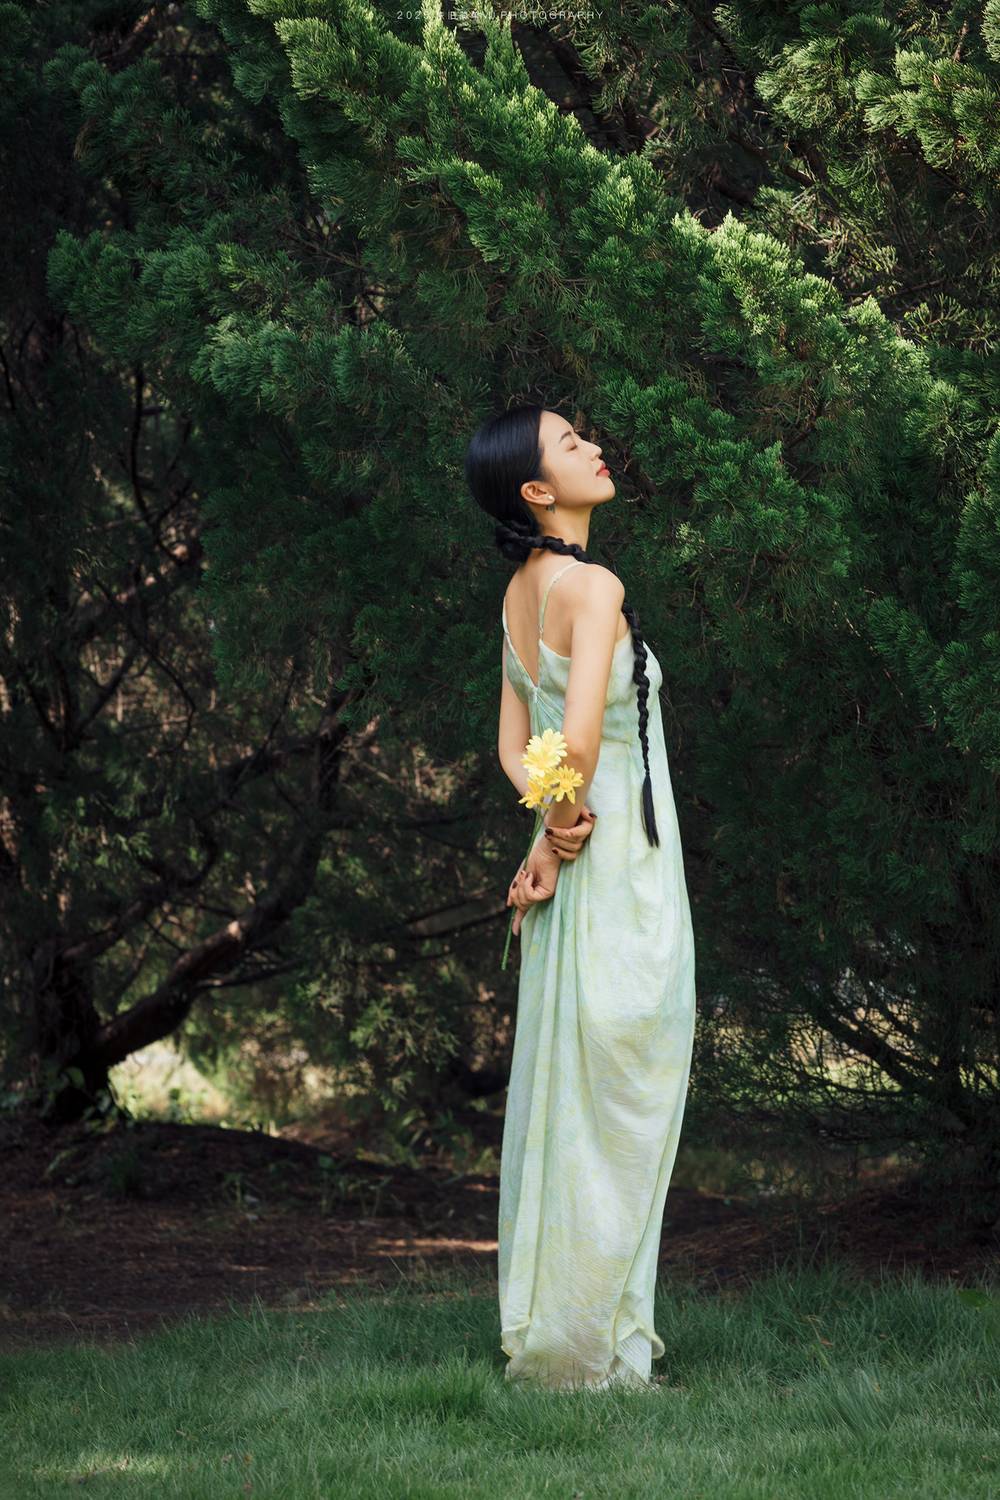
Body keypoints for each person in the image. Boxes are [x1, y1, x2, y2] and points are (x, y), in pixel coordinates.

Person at [464, 404, 697, 1391]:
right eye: (569, 444)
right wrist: (562, 843)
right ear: (535, 489)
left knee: (577, 1094)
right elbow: (586, 744)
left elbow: (512, 746)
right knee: (628, 1091)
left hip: (578, 849)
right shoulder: (593, 587)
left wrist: (547, 832)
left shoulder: (521, 592)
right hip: (617, 866)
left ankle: (582, 1328)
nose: (594, 447)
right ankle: (594, 1346)